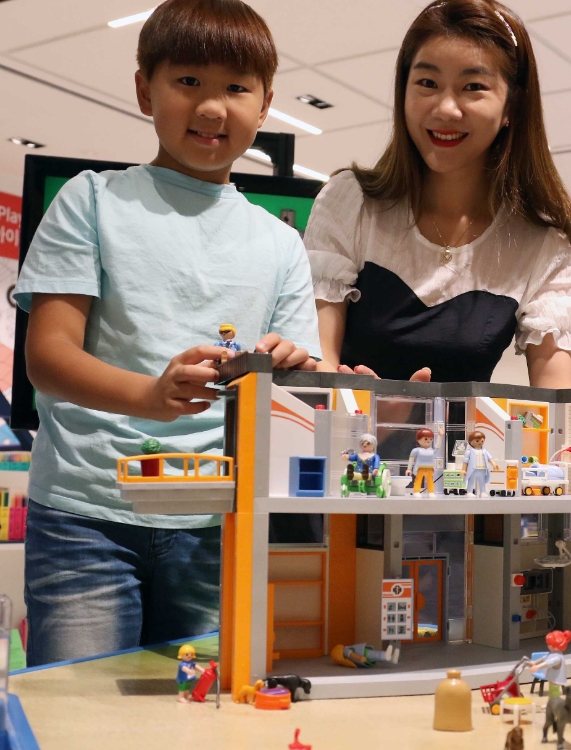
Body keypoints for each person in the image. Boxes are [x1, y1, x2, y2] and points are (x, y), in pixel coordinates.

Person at [14, 0, 321, 667]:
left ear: (265, 105)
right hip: (86, 514)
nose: (212, 107)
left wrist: (293, 370)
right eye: (188, 81)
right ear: (144, 90)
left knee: (201, 710)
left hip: (217, 519)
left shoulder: (281, 243)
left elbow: (296, 392)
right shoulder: (91, 200)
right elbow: (48, 355)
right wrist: (152, 395)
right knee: (80, 710)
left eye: (236, 87)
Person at [305, 0, 571, 387]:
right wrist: (373, 409)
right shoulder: (351, 202)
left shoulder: (543, 245)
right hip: (347, 424)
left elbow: (555, 403)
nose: (445, 109)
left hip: (466, 431)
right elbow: (318, 366)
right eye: (427, 83)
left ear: (512, 106)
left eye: (473, 87)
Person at [407, 424, 446, 496]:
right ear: (418, 440)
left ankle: (431, 492)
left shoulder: (431, 451)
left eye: (430, 439)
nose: (428, 441)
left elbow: (437, 447)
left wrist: (440, 436)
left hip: (430, 468)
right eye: (425, 439)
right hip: (420, 468)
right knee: (418, 480)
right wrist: (409, 469)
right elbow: (411, 459)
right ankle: (416, 491)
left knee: (430, 481)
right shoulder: (416, 450)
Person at [460, 429, 500, 496]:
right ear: (471, 442)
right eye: (477, 441)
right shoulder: (469, 452)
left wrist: (494, 464)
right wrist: (463, 470)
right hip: (473, 469)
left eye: (482, 441)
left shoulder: (484, 451)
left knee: (482, 481)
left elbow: (490, 458)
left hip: (482, 469)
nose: (480, 442)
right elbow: (465, 461)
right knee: (471, 481)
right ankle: (469, 492)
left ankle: (482, 492)